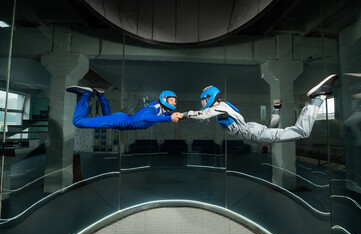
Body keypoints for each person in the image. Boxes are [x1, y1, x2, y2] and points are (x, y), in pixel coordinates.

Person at [182, 74, 338, 143]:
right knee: (272, 134)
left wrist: (182, 115)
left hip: (249, 131)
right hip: (250, 129)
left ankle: (318, 98)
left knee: (302, 132)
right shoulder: (222, 106)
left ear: (210, 98)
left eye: (203, 100)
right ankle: (277, 109)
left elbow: (202, 115)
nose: (202, 103)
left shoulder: (219, 107)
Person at [66, 86, 183, 130]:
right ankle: (85, 94)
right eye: (172, 100)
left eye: (175, 101)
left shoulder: (163, 112)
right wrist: (169, 119)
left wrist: (183, 116)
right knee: (78, 122)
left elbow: (172, 116)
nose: (174, 103)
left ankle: (101, 94)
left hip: (122, 122)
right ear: (164, 98)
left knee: (107, 117)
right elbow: (144, 116)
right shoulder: (155, 107)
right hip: (121, 121)